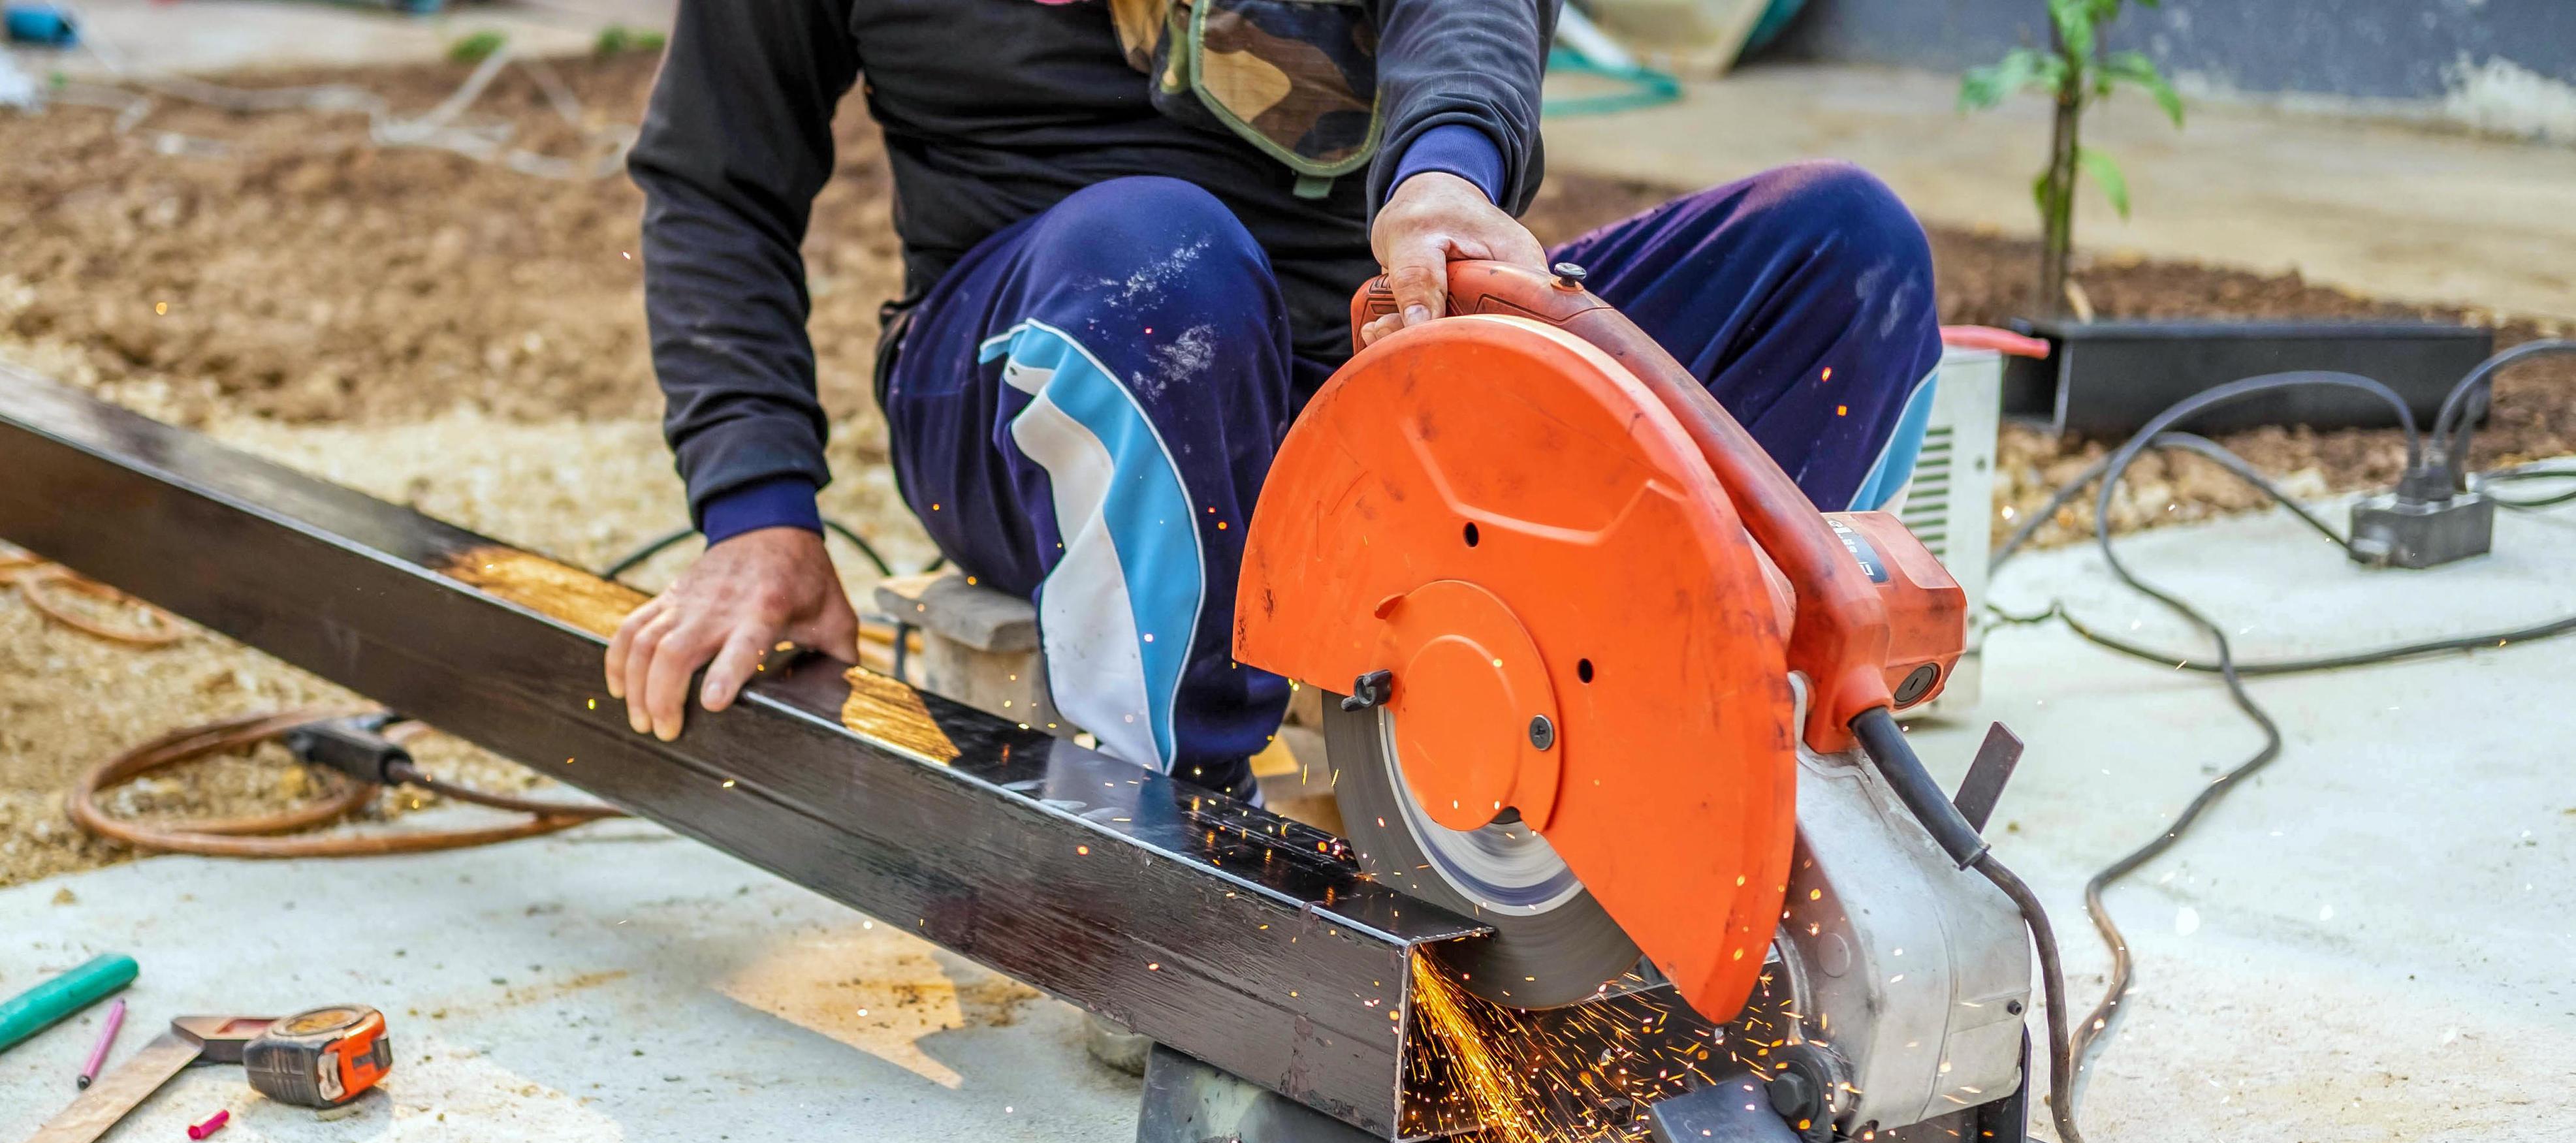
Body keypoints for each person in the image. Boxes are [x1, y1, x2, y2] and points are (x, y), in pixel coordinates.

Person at [605, 0, 1942, 799]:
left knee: (1841, 250)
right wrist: (757, 512)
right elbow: (717, 183)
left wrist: (1443, 175)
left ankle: (1708, 771)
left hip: (1367, 377)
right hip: (1048, 376)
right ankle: (1178, 826)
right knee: (1157, 252)